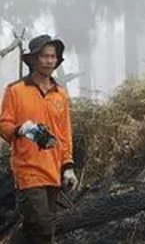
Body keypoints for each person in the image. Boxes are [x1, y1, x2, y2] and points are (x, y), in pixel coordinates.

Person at [0, 34, 78, 244]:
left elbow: (64, 133)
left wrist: (68, 165)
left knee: (36, 227)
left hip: (53, 171)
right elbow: (3, 126)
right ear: (33, 59)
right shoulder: (15, 90)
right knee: (43, 229)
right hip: (28, 170)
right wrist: (20, 130)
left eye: (53, 56)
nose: (49, 60)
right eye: (44, 56)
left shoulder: (60, 94)